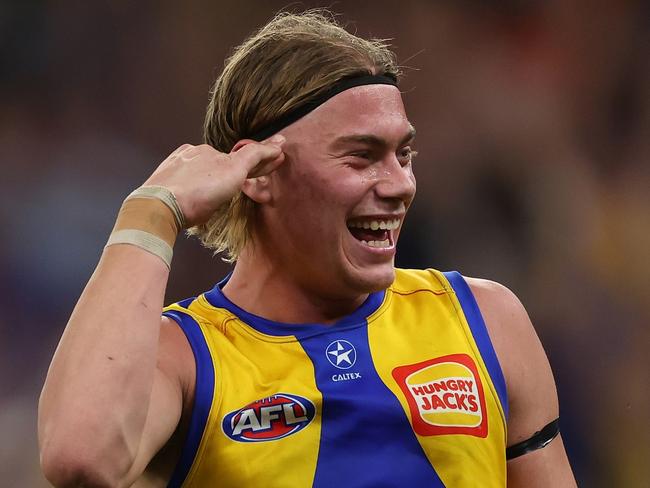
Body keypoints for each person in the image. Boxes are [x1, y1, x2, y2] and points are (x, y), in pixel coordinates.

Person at [38, 11, 576, 488]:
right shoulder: (185, 360)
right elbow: (80, 458)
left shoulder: (485, 320)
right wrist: (152, 213)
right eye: (361, 156)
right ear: (259, 174)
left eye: (403, 153)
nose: (399, 184)